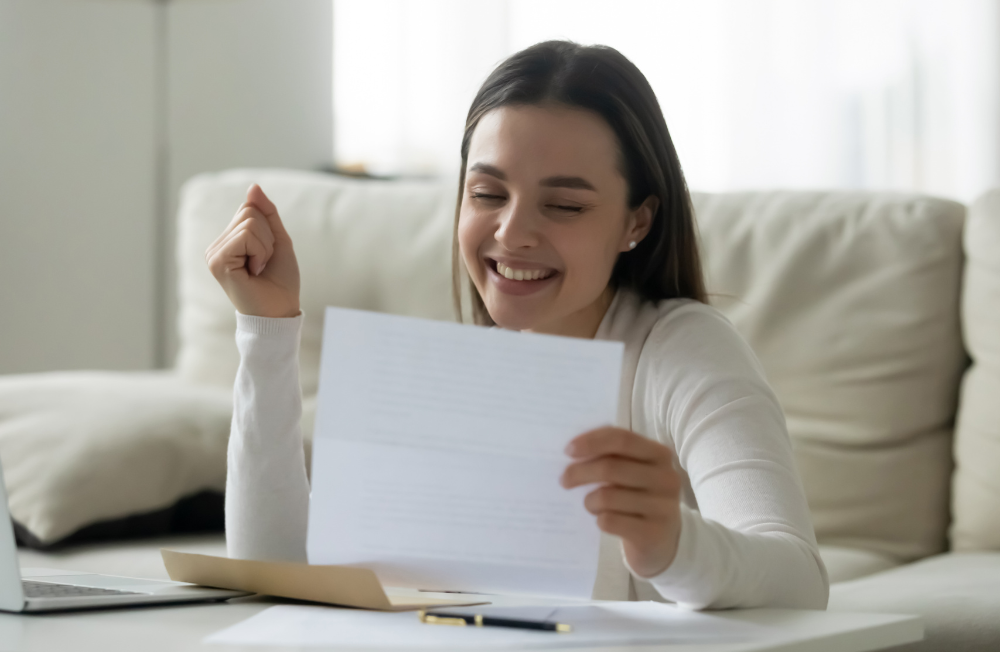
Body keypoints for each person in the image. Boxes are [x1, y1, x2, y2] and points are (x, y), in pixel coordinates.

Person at [206, 40, 829, 610]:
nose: (512, 233)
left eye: (563, 205)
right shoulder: (459, 375)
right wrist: (266, 331)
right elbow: (277, 571)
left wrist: (673, 543)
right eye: (486, 194)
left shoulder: (682, 349)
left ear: (637, 221)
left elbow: (799, 581)